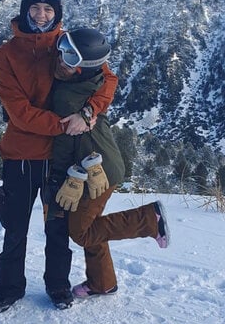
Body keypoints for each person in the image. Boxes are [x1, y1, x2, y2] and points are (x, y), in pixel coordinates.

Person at [0, 0, 118, 313]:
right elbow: (19, 113)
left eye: (49, 8)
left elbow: (108, 78)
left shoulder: (68, 44)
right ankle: (8, 289)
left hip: (60, 159)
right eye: (36, 7)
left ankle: (58, 286)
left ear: (57, 11)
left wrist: (89, 112)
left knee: (58, 228)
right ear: (25, 8)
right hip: (21, 154)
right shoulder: (6, 55)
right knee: (15, 228)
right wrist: (69, 126)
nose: (42, 14)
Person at [46, 27, 169, 299]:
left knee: (81, 231)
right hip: (100, 164)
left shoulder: (66, 96)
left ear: (83, 69)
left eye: (70, 59)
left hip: (94, 173)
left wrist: (63, 176)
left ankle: (149, 219)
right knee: (92, 223)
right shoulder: (91, 82)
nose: (60, 59)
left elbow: (65, 141)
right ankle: (102, 283)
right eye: (62, 49)